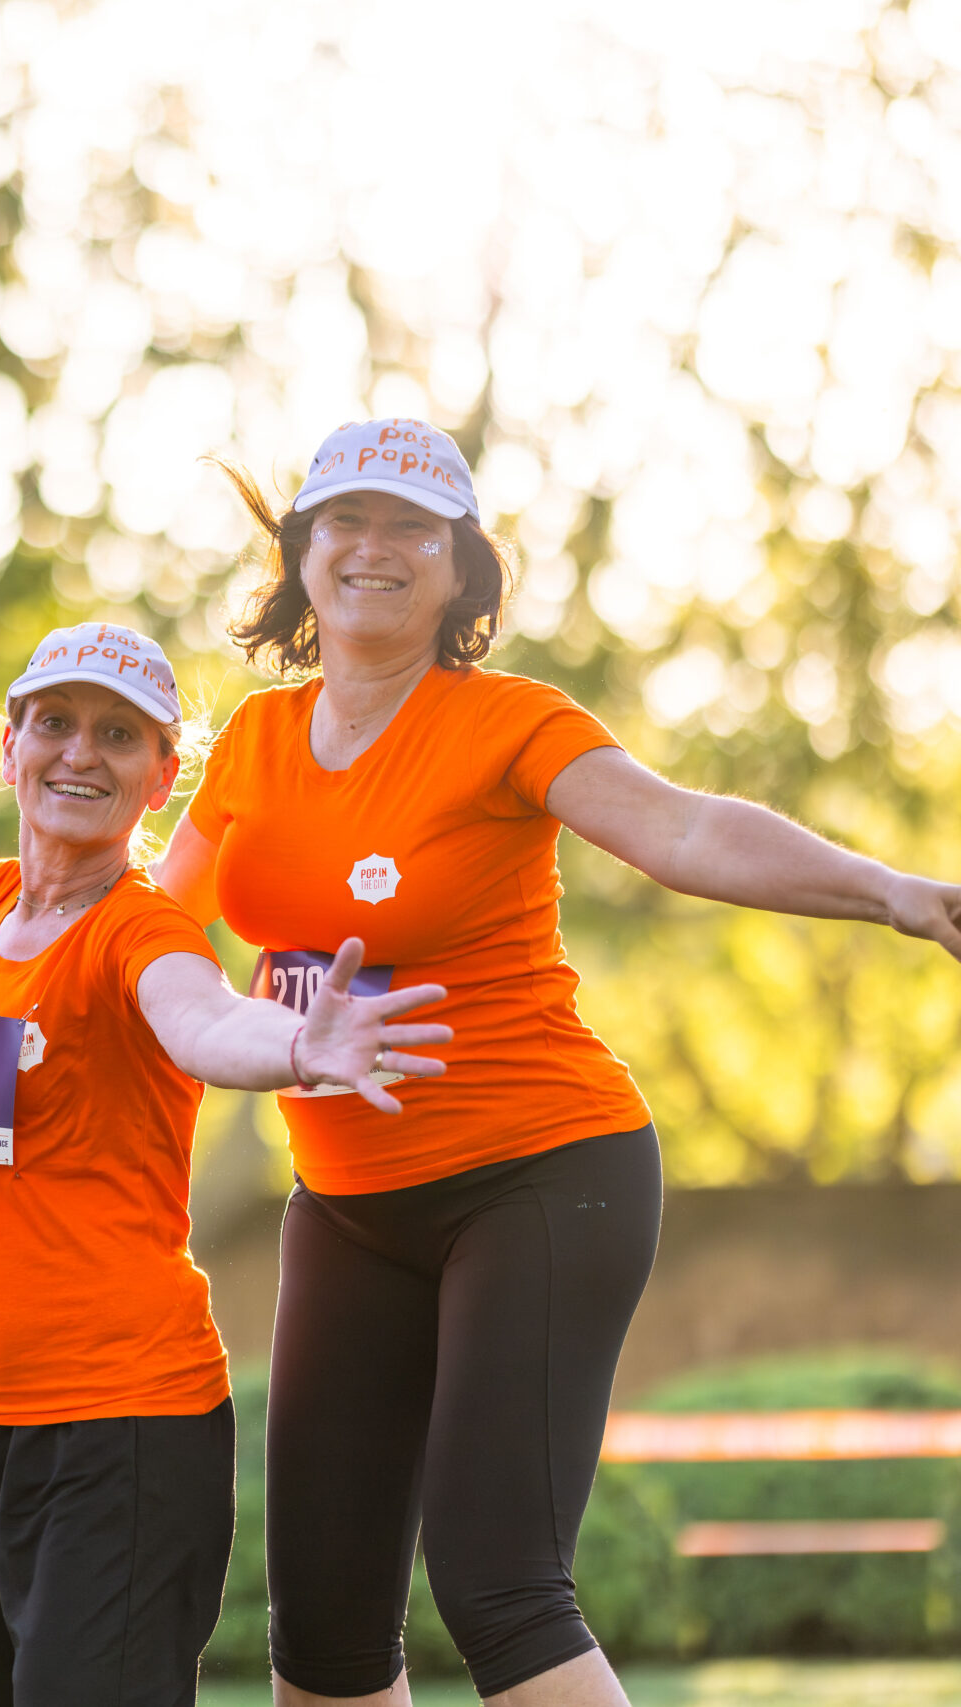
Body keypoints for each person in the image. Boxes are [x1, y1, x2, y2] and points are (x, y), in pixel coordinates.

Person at [155, 418, 961, 1707]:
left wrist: (891, 893)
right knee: (322, 1621)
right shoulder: (252, 741)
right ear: (301, 553)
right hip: (349, 1206)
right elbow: (153, 929)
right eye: (345, 522)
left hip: (540, 1174)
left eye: (414, 528)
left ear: (460, 572)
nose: (374, 549)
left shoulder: (508, 724)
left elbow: (680, 827)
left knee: (497, 1582)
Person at [0, 624, 452, 1707]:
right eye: (56, 724)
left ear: (162, 776)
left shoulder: (143, 933)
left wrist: (295, 1045)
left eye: (117, 735)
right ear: (12, 743)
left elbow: (203, 1022)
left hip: (116, 1433)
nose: (81, 752)